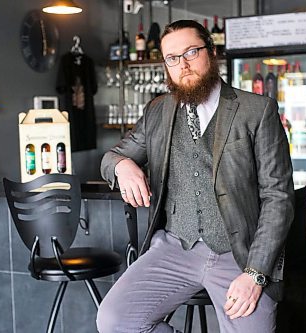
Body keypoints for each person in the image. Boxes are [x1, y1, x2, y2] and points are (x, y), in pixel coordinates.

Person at [97, 20, 294, 333]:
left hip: (238, 253)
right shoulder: (157, 111)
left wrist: (255, 273)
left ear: (211, 52)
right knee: (115, 322)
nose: (182, 64)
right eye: (172, 58)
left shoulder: (257, 110)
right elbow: (111, 157)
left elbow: (278, 198)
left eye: (191, 52)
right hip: (175, 247)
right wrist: (122, 166)